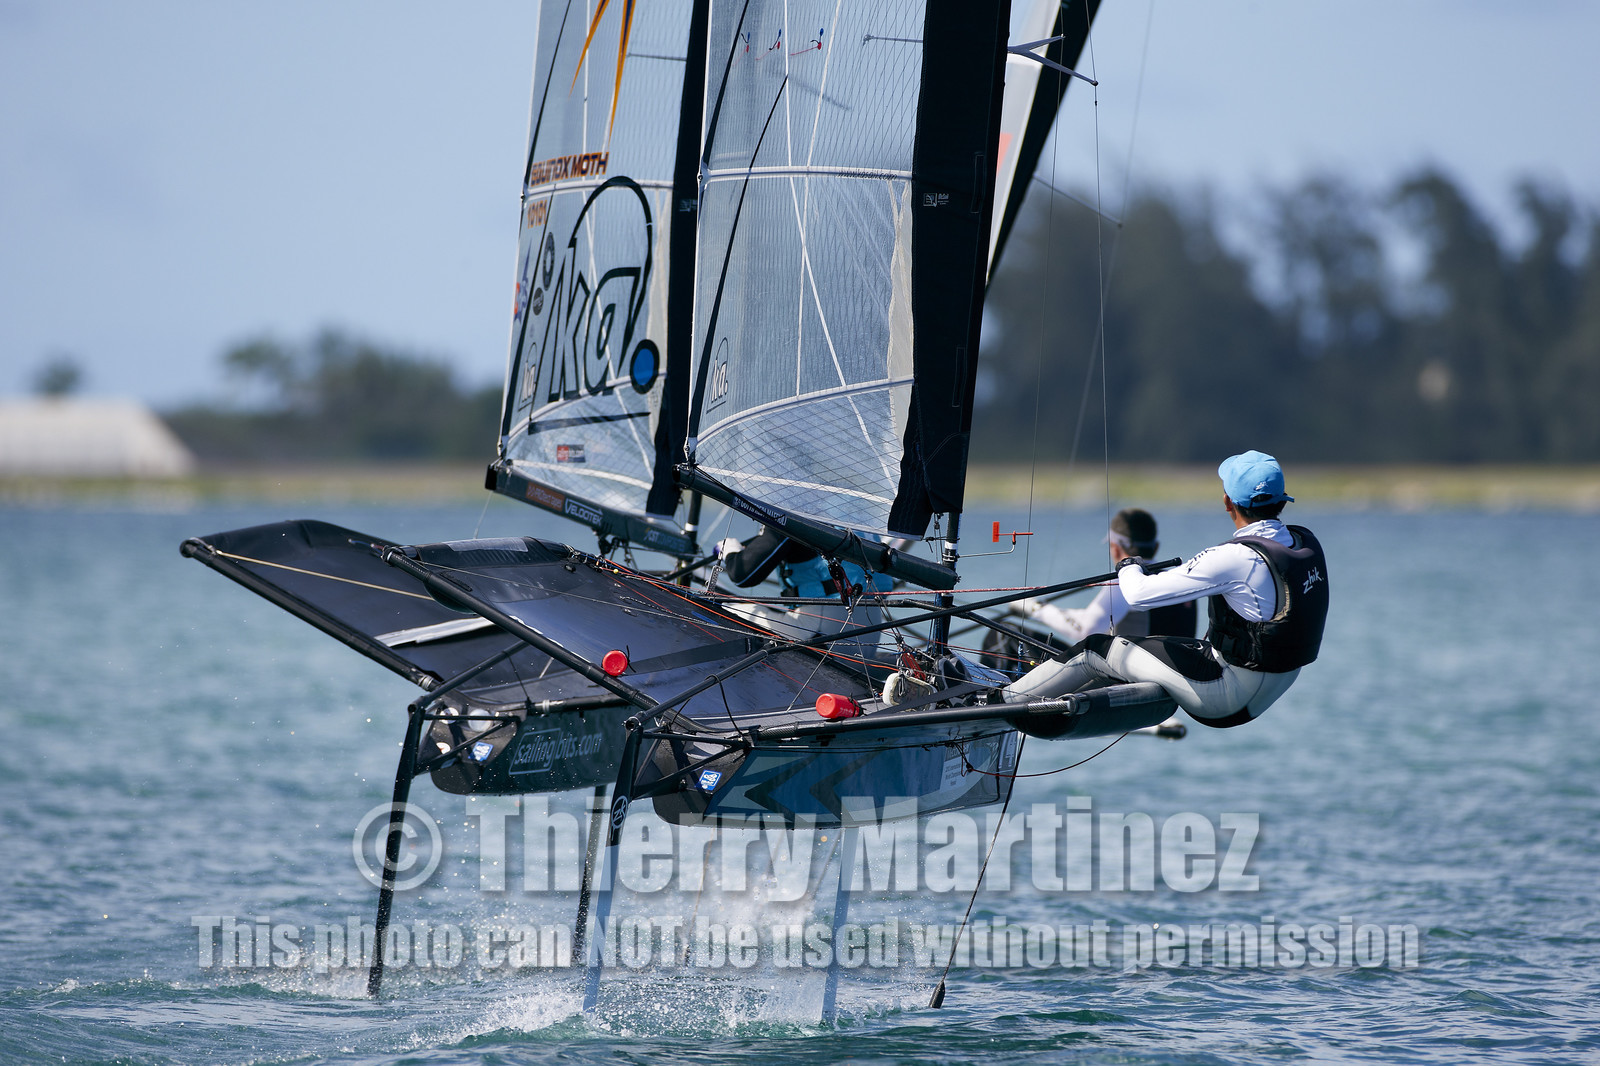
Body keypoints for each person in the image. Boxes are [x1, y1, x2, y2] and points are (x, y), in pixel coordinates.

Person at [1005, 451, 1328, 729]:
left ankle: (1003, 701)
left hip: (1228, 698)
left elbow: (1139, 595)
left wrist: (1129, 564)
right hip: (1270, 687)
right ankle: (1065, 700)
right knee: (1145, 647)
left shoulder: (1234, 556)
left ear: (1228, 502)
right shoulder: (1303, 541)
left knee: (1095, 649)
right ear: (1281, 500)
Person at [1010, 508, 1196, 643]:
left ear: (1115, 548)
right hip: (1177, 677)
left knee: (1005, 635)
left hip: (1127, 682)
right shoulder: (1179, 579)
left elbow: (1086, 629)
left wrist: (1037, 610)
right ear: (1156, 547)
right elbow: (1095, 617)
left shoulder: (1127, 582)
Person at [715, 527, 891, 657]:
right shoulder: (849, 512)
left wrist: (730, 550)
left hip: (824, 634)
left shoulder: (792, 510)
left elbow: (743, 575)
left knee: (722, 611)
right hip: (871, 635)